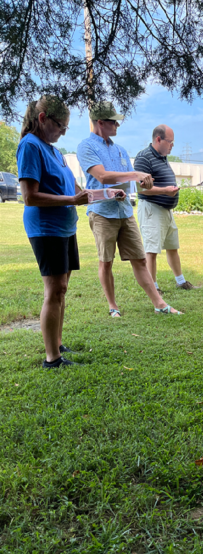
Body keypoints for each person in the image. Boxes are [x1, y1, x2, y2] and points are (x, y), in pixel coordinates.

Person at [77, 102, 182, 316]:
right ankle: (113, 306)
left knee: (140, 259)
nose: (117, 124)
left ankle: (160, 305)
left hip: (124, 211)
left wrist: (141, 183)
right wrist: (135, 175)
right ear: (100, 123)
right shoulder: (86, 147)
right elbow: (102, 176)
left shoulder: (120, 150)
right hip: (102, 212)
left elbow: (130, 181)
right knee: (106, 261)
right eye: (113, 121)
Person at [16, 96, 90, 368]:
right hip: (46, 228)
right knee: (54, 289)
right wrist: (72, 200)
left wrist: (100, 194)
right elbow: (30, 197)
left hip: (65, 227)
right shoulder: (30, 146)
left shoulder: (55, 151)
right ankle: (53, 359)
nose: (62, 132)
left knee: (63, 288)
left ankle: (57, 342)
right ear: (43, 118)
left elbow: (73, 189)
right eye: (60, 125)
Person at [135, 124, 199, 291]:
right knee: (152, 250)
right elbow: (140, 188)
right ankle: (153, 287)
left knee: (172, 246)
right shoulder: (144, 157)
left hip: (166, 211)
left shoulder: (162, 157)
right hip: (151, 209)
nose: (172, 145)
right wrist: (165, 191)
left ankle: (181, 281)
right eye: (170, 142)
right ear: (158, 139)